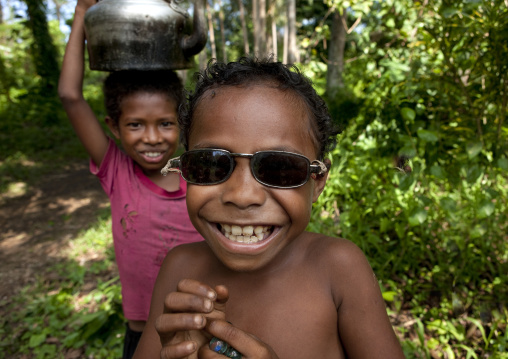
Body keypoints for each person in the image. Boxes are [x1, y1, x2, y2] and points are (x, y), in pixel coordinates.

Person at [132, 56, 406, 359]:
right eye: (210, 164)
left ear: (318, 181)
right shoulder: (180, 270)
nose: (242, 195)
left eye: (280, 168)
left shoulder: (340, 269)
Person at [58, 0, 203, 357]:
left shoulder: (200, 178)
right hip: (141, 335)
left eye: (165, 124)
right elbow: (70, 95)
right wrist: (81, 15)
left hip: (200, 330)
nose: (152, 138)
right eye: (135, 124)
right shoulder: (117, 170)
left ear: (182, 123)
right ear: (114, 127)